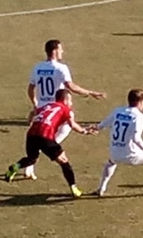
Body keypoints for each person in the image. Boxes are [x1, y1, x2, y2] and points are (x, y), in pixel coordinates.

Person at [22, 39, 105, 179]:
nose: (62, 51)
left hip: (43, 108)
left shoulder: (37, 67)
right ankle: (47, 148)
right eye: (60, 49)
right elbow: (71, 86)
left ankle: (32, 162)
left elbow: (30, 89)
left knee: (44, 135)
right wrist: (90, 93)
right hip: (58, 108)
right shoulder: (61, 68)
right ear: (55, 51)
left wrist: (35, 103)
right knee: (66, 128)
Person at [5, 89, 93, 197]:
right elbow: (72, 125)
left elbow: (32, 113)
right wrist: (84, 131)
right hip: (45, 135)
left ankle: (16, 166)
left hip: (31, 134)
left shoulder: (47, 106)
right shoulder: (66, 109)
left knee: (32, 159)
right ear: (65, 100)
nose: (71, 103)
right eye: (70, 100)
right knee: (64, 161)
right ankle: (73, 188)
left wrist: (30, 122)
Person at [94, 88, 143, 196]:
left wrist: (95, 128)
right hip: (131, 155)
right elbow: (136, 138)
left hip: (114, 152)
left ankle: (101, 188)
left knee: (111, 162)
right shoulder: (139, 117)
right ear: (140, 102)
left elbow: (103, 124)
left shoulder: (118, 111)